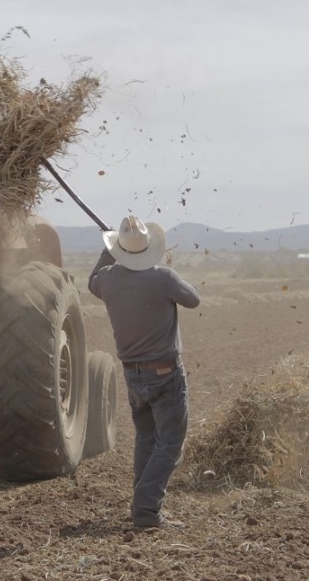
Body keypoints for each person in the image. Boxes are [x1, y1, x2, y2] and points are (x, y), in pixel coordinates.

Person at [88, 215, 200, 529]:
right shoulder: (163, 277)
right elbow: (193, 299)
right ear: (150, 249)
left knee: (147, 439)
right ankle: (147, 511)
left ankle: (142, 509)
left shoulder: (108, 279)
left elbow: (92, 278)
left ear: (120, 251)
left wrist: (108, 247)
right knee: (170, 444)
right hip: (165, 374)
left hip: (133, 375)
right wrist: (163, 265)